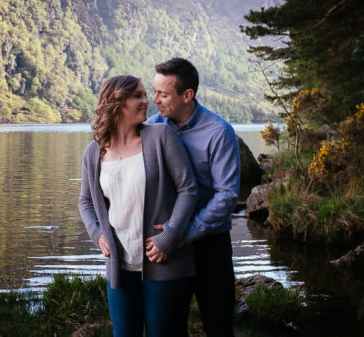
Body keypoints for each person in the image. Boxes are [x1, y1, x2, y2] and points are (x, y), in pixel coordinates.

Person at [78, 75, 198, 336]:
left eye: (145, 94)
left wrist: (169, 236)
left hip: (164, 261)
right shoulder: (93, 152)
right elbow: (85, 202)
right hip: (119, 266)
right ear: (117, 102)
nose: (147, 101)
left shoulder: (161, 136)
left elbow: (188, 189)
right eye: (138, 96)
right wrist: (97, 235)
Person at [147, 57, 241, 337]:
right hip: (168, 245)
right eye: (154, 91)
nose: (155, 100)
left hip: (210, 245)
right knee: (169, 327)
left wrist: (183, 235)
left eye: (163, 94)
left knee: (218, 325)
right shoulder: (151, 128)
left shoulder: (219, 132)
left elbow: (226, 197)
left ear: (187, 95)